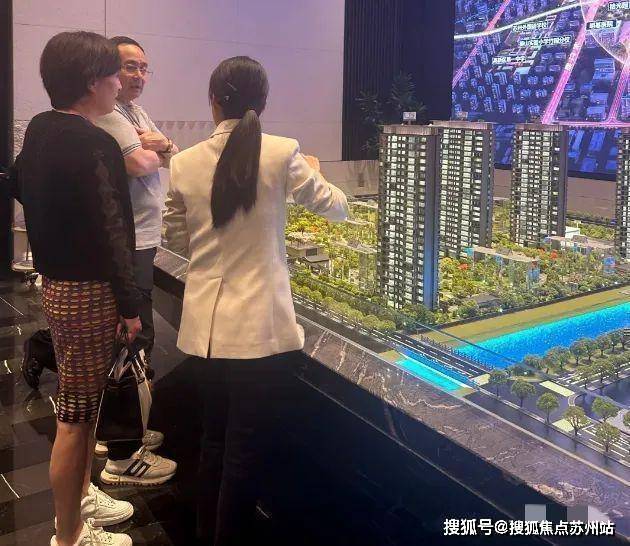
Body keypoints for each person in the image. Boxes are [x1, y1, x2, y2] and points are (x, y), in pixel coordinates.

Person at [163, 56, 349, 545]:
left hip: (205, 330)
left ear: (213, 100)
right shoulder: (283, 153)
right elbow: (337, 208)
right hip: (260, 332)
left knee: (212, 441)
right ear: (263, 103)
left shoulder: (183, 163)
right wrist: (315, 170)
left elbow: (176, 238)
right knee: (244, 451)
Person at [16, 31, 141, 546]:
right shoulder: (96, 143)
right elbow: (115, 232)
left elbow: (20, 186)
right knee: (75, 416)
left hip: (58, 287)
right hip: (91, 293)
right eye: (114, 74)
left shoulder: (39, 129)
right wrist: (130, 305)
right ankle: (69, 534)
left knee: (82, 409)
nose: (119, 84)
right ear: (92, 81)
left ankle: (83, 498)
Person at [93, 36, 177, 485]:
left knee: (134, 336)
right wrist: (155, 150)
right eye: (129, 67)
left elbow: (167, 152)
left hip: (143, 236)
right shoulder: (109, 116)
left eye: (144, 67)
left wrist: (159, 144)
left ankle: (121, 429)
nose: (139, 75)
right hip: (129, 241)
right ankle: (122, 451)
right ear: (108, 71)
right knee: (132, 336)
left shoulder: (136, 113)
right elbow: (141, 164)